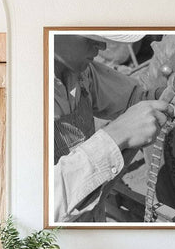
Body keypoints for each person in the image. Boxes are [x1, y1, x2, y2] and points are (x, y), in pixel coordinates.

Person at [53, 34, 168, 222]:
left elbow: (133, 98)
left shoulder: (80, 73)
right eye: (88, 37)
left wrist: (160, 97)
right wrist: (117, 135)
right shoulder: (21, 95)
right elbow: (38, 205)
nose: (103, 46)